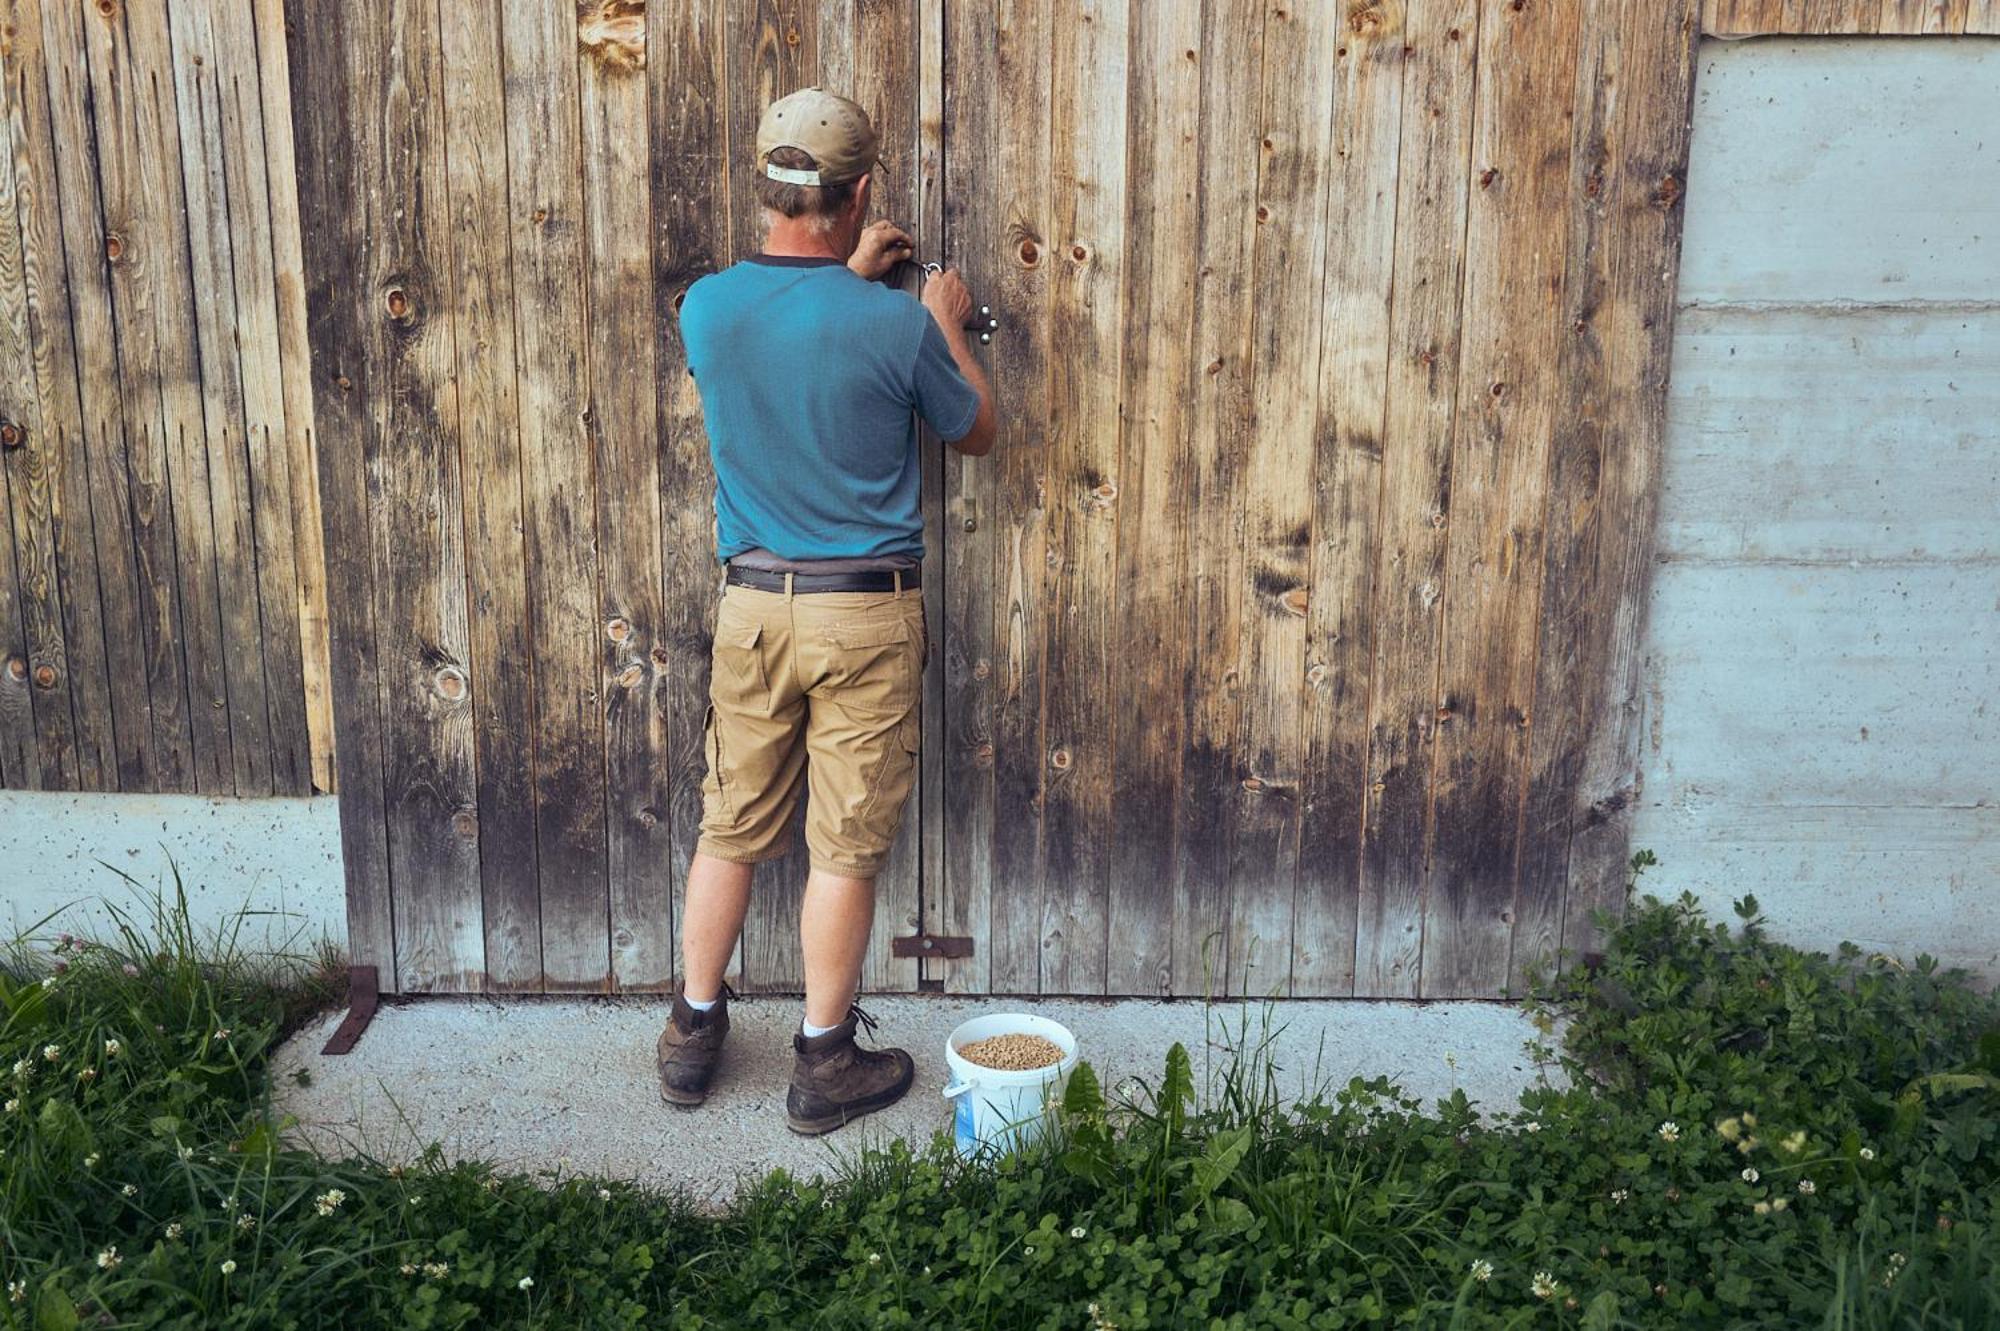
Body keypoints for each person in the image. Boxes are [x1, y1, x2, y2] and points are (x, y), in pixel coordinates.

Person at [660, 87, 996, 1135]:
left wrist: (847, 283)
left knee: (732, 823)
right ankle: (821, 1062)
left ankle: (690, 1032)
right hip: (862, 616)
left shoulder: (706, 307)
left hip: (753, 608)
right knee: (841, 844)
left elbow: (789, 338)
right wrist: (940, 322)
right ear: (858, 195)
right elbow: (975, 428)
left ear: (765, 186)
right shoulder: (895, 325)